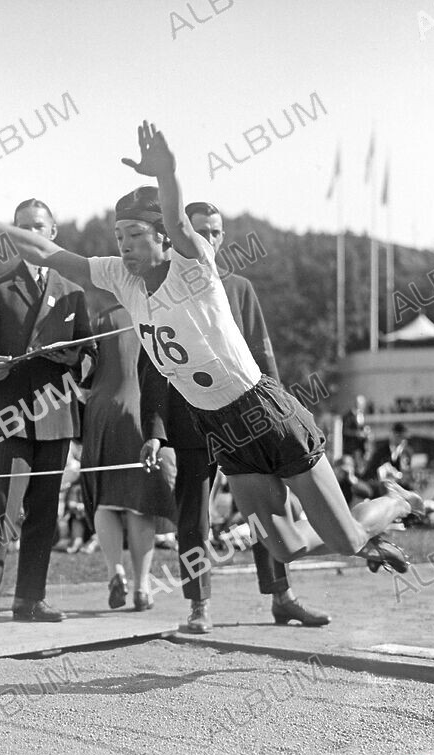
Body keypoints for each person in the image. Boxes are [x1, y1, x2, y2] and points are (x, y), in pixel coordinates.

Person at [0, 122, 423, 584]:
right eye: (119, 236)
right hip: (220, 427)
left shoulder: (193, 267)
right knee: (286, 547)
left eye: (135, 236)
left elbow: (180, 221)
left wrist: (165, 173)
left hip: (263, 411)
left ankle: (393, 505)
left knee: (349, 539)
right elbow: (42, 251)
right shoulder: (120, 278)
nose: (124, 246)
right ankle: (361, 538)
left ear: (163, 236)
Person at [139, 198, 330, 632]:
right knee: (194, 518)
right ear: (177, 233)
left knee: (266, 510)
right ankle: (198, 605)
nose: (207, 239)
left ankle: (282, 596)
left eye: (214, 232)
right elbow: (151, 363)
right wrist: (153, 429)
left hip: (247, 420)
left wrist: (282, 412)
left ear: (222, 238)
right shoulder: (159, 288)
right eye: (198, 230)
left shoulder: (240, 288)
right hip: (190, 420)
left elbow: (263, 355)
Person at [0, 198, 95, 629]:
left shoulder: (73, 292)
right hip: (10, 415)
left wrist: (74, 360)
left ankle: (31, 599)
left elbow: (91, 353)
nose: (30, 234)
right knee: (1, 510)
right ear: (11, 234)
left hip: (55, 418)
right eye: (21, 227)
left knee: (45, 512)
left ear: (53, 234)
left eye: (38, 227)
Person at [82, 291, 175, 612]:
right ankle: (143, 587)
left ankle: (114, 571)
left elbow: (85, 371)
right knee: (140, 505)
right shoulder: (159, 314)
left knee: (105, 498)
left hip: (102, 411)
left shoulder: (104, 318)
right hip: (142, 411)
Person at [363, 422, 414, 491]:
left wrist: (398, 475)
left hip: (401, 489)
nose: (401, 440)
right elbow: (370, 473)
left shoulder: (407, 452)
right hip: (383, 489)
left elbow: (407, 475)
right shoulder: (380, 452)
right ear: (392, 434)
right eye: (399, 436)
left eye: (403, 438)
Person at [341, 395, 371, 465]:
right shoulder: (348, 416)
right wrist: (357, 433)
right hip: (351, 448)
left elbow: (362, 427)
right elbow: (345, 431)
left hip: (360, 448)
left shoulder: (362, 415)